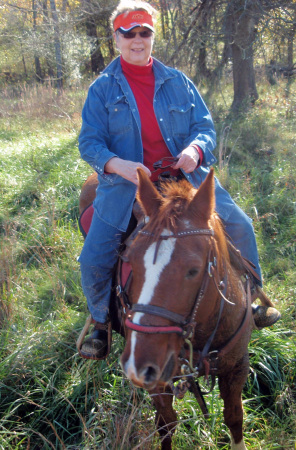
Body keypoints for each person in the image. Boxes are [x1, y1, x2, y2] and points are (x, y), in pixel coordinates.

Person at [78, 0, 280, 359]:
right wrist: (116, 164)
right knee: (94, 257)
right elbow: (89, 141)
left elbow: (205, 127)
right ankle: (100, 324)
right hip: (128, 187)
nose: (137, 40)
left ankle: (254, 299)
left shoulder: (178, 82)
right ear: (117, 38)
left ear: (152, 36)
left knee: (241, 226)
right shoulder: (102, 89)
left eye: (145, 33)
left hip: (185, 178)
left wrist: (196, 151)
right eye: (129, 34)